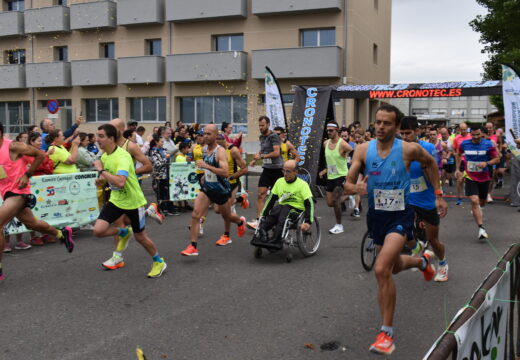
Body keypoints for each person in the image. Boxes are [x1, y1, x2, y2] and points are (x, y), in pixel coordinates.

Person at [343, 104, 444, 355]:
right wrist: (354, 189)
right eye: (377, 122)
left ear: (397, 127)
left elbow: (431, 164)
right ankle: (421, 263)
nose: (380, 127)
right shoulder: (363, 150)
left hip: (401, 215)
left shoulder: (409, 149)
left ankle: (386, 334)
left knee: (380, 269)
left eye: (387, 123)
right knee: (394, 267)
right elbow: (348, 182)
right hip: (376, 217)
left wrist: (439, 194)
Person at [0, 123, 74, 281]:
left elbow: (40, 155)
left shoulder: (13, 146)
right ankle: (62, 233)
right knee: (31, 224)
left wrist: (27, 175)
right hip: (7, 194)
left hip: (19, 192)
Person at [93, 124, 167, 278]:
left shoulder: (123, 156)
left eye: (101, 136)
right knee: (98, 231)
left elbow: (120, 181)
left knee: (140, 237)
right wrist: (101, 180)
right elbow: (109, 177)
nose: (97, 139)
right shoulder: (105, 156)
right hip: (116, 200)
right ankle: (124, 232)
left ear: (111, 138)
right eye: (97, 136)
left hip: (133, 201)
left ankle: (159, 261)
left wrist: (101, 170)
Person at [180, 124, 246, 256]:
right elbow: (208, 167)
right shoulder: (204, 149)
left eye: (209, 134)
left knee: (226, 215)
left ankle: (240, 222)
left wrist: (207, 167)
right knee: (195, 214)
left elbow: (225, 172)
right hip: (207, 188)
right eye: (204, 133)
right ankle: (193, 246)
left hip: (221, 190)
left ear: (216, 136)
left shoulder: (220, 151)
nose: (205, 136)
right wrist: (205, 174)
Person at [400, 116, 449, 282]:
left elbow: (433, 174)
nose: (405, 137)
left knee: (433, 240)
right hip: (407, 200)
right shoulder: (399, 149)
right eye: (402, 133)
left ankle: (442, 263)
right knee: (399, 230)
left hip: (426, 201)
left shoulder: (427, 148)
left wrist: (439, 197)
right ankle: (417, 247)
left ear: (417, 131)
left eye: (408, 133)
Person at [255, 159, 313, 249]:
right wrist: (263, 215)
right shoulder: (279, 182)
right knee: (277, 208)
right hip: (281, 208)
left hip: (296, 210)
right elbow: (271, 200)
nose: (285, 174)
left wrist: (308, 222)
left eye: (288, 171)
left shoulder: (303, 185)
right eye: (284, 170)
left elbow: (309, 204)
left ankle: (277, 237)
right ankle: (262, 229)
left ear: (296, 172)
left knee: (284, 208)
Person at [455, 124, 500, 241]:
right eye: (473, 135)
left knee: (481, 202)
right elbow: (458, 154)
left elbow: (497, 159)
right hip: (470, 176)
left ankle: (479, 209)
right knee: (474, 201)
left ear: (482, 134)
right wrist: (457, 169)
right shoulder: (464, 144)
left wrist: (486, 163)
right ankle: (481, 228)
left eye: (478, 135)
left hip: (484, 177)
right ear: (471, 134)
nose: (475, 137)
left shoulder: (488, 144)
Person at [247, 116, 284, 230]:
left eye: (262, 125)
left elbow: (276, 152)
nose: (260, 127)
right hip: (267, 169)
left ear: (268, 124)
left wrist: (262, 156)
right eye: (259, 125)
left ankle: (278, 219)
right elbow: (263, 150)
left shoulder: (274, 136)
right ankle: (259, 220)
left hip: (277, 169)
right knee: (260, 194)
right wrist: (255, 159)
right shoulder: (262, 137)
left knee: (279, 197)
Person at [214, 133, 248, 245]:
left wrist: (232, 177)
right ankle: (240, 221)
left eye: (217, 143)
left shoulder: (233, 150)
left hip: (231, 184)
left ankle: (226, 236)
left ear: (222, 140)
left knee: (225, 212)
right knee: (217, 210)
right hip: (220, 184)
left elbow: (244, 169)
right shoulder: (217, 150)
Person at [319, 121, 352, 234]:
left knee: (335, 200)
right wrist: (325, 170)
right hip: (331, 175)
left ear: (336, 130)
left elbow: (351, 151)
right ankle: (349, 197)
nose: (329, 132)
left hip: (341, 175)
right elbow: (330, 160)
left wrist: (346, 155)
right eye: (327, 130)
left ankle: (339, 225)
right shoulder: (325, 143)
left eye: (331, 130)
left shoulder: (342, 144)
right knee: (329, 203)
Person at [147, 135, 172, 218]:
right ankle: (160, 209)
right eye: (161, 142)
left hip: (166, 174)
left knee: (166, 192)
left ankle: (167, 209)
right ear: (156, 142)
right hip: (159, 175)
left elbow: (166, 159)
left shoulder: (163, 150)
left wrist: (167, 157)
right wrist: (166, 158)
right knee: (160, 193)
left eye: (163, 142)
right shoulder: (153, 151)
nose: (162, 143)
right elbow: (158, 164)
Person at [453, 122, 471, 205]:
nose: (463, 131)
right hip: (460, 161)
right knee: (459, 180)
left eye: (465, 129)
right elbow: (454, 149)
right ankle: (459, 198)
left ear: (467, 128)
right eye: (461, 129)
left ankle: (473, 196)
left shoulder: (471, 137)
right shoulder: (456, 138)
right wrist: (456, 154)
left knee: (471, 180)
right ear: (459, 129)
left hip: (470, 161)